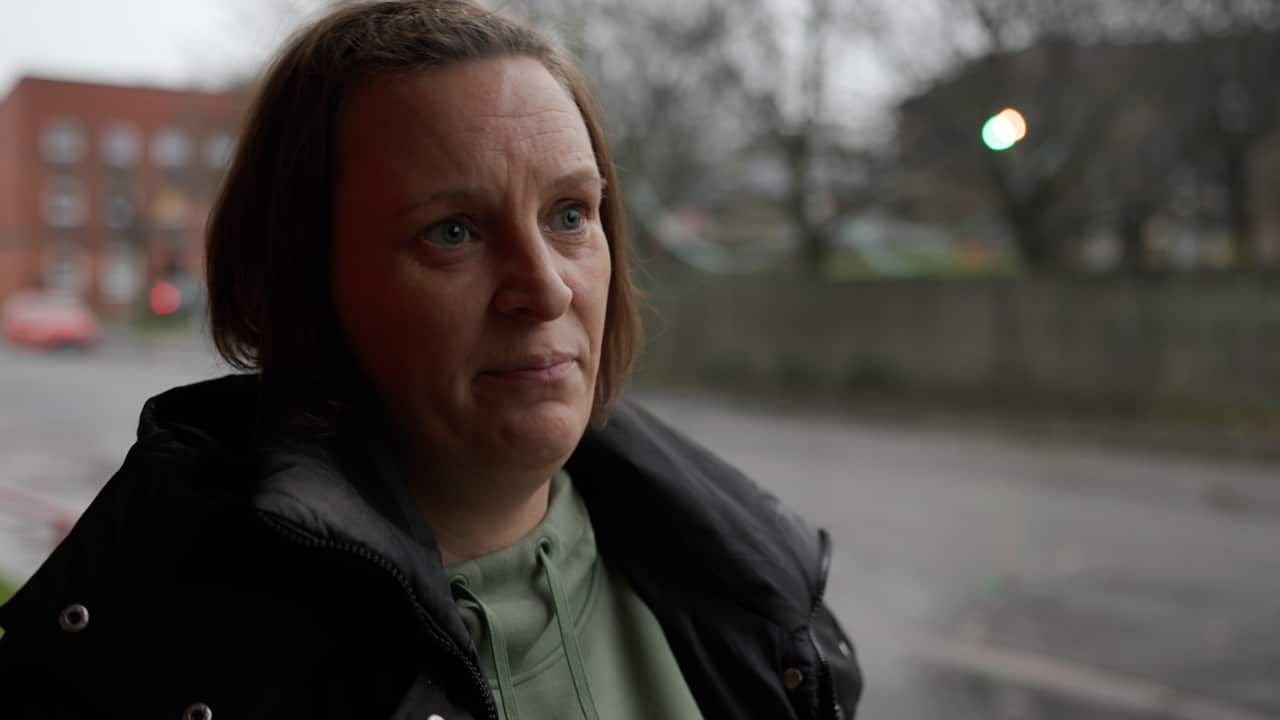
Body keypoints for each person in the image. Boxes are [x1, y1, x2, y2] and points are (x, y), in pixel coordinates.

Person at [0, 2, 862, 718]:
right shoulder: (163, 665)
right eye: (453, 232)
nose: (546, 290)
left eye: (569, 214)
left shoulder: (755, 586)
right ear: (303, 284)